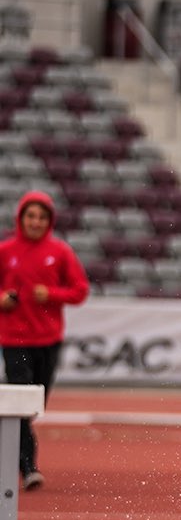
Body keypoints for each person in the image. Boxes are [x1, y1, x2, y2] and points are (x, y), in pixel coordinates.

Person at [0, 190, 90, 490]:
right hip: (14, 338)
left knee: (35, 404)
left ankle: (17, 450)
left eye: (41, 217)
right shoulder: (6, 251)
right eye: (30, 216)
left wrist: (50, 294)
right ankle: (28, 467)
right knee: (22, 401)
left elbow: (79, 290)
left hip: (48, 340)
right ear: (21, 219)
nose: (35, 222)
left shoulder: (61, 252)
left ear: (48, 221)